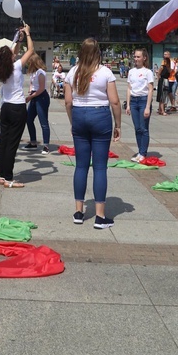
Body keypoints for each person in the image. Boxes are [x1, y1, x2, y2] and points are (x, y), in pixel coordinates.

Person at [64, 38, 121, 229]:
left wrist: (74, 122)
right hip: (100, 116)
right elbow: (114, 101)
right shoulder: (105, 72)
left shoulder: (73, 72)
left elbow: (68, 102)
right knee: (99, 167)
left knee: (80, 166)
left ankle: (79, 211)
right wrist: (118, 124)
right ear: (98, 52)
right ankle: (100, 216)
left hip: (80, 114)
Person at [0, 24, 35, 189]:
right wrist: (28, 35)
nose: (14, 54)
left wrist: (18, 37)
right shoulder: (16, 67)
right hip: (17, 108)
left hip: (6, 108)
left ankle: (3, 175)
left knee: (3, 141)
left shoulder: (1, 68)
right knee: (12, 143)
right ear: (10, 57)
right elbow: (30, 51)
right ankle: (9, 178)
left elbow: (14, 51)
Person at [125, 48, 154, 162]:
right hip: (133, 101)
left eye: (138, 57)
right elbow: (129, 88)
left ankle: (143, 153)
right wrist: (128, 105)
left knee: (143, 128)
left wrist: (147, 106)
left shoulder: (148, 72)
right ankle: (139, 151)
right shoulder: (131, 71)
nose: (136, 59)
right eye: (135, 57)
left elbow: (150, 90)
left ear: (144, 58)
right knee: (137, 128)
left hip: (143, 100)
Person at [24, 53, 51, 154]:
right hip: (34, 96)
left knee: (43, 122)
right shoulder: (33, 72)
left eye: (29, 62)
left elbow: (41, 88)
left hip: (41, 97)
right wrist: (30, 90)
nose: (28, 64)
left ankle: (46, 145)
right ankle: (33, 142)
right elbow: (32, 84)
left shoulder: (40, 72)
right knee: (29, 119)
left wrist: (31, 96)